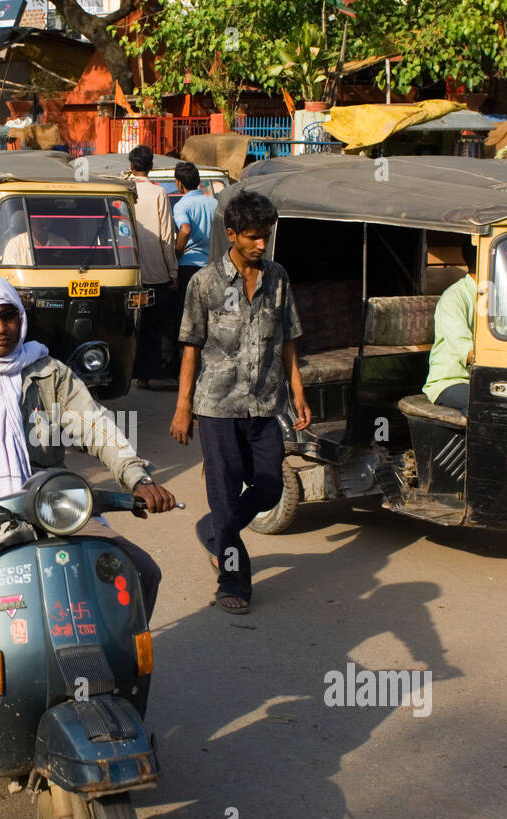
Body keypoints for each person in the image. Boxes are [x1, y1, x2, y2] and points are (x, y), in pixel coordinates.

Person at [0, 273, 177, 692]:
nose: (0, 328)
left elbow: (97, 427)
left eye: (8, 316)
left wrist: (137, 478)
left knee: (139, 570)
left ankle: (114, 670)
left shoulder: (49, 372)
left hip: (51, 508)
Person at [170, 189, 310, 615]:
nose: (261, 244)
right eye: (252, 236)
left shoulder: (278, 278)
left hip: (264, 405)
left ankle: (215, 528)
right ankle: (234, 579)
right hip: (216, 408)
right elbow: (191, 347)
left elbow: (287, 340)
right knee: (227, 495)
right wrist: (182, 406)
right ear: (231, 234)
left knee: (269, 486)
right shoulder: (205, 283)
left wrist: (298, 392)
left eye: (265, 235)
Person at [129, 144, 180, 390]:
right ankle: (161, 371)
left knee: (139, 325)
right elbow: (167, 237)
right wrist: (173, 272)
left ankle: (140, 375)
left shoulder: (125, 191)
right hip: (157, 274)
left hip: (132, 274)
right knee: (160, 325)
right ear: (151, 167)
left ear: (131, 166)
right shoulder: (159, 194)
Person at [422, 241, 479, 411]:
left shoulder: (500, 296)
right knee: (484, 405)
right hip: (452, 381)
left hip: (487, 381)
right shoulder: (454, 298)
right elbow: (467, 352)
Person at [171, 161, 217, 314]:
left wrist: (177, 252)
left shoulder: (182, 205)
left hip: (188, 266)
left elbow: (185, 230)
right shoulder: (214, 203)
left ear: (179, 183)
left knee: (188, 314)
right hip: (211, 265)